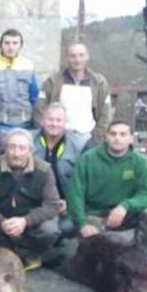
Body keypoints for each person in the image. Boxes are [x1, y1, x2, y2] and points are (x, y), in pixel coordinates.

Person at [0, 129, 61, 269]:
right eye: (12, 147)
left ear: (30, 150)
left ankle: (31, 253)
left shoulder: (44, 170)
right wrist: (1, 222)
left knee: (50, 230)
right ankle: (9, 252)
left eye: (22, 148)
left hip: (31, 221)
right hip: (3, 219)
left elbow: (52, 205)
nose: (16, 153)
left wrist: (26, 221)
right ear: (5, 149)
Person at [67, 121, 147, 248]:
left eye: (123, 134)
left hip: (125, 213)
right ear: (106, 137)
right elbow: (75, 195)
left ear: (131, 139)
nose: (117, 138)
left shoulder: (141, 163)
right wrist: (82, 223)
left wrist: (125, 206)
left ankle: (140, 253)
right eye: (113, 134)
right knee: (97, 255)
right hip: (94, 214)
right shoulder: (87, 159)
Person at [31, 102, 90, 239]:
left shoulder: (79, 146)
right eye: (50, 119)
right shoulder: (28, 141)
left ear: (65, 123)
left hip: (64, 204)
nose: (54, 124)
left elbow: (84, 181)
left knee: (66, 228)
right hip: (34, 202)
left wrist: (70, 202)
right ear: (42, 121)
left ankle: (53, 244)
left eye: (59, 120)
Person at [0, 29, 40, 156]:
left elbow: (35, 99)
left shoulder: (28, 66)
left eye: (15, 43)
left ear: (21, 46)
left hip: (25, 127)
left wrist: (36, 128)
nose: (11, 47)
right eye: (7, 43)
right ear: (1, 45)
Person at [36, 43, 111, 146]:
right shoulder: (53, 81)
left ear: (87, 57)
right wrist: (48, 135)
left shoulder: (99, 83)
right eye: (73, 56)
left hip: (88, 138)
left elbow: (105, 115)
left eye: (81, 55)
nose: (77, 59)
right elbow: (40, 110)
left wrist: (96, 137)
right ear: (67, 58)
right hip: (60, 138)